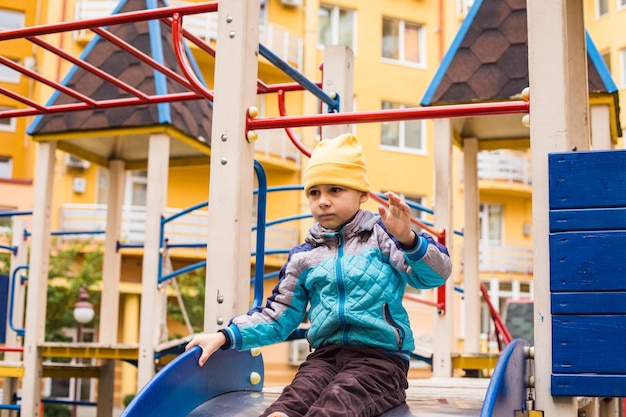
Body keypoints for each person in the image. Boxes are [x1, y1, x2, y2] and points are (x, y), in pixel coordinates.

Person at [186, 133, 452, 417]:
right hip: (324, 358)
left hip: (381, 360)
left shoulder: (384, 237)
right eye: (314, 193)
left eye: (335, 190)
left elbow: (435, 275)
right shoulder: (305, 256)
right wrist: (226, 336)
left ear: (362, 194)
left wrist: (409, 239)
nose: (322, 201)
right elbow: (278, 316)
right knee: (288, 406)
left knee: (337, 403)